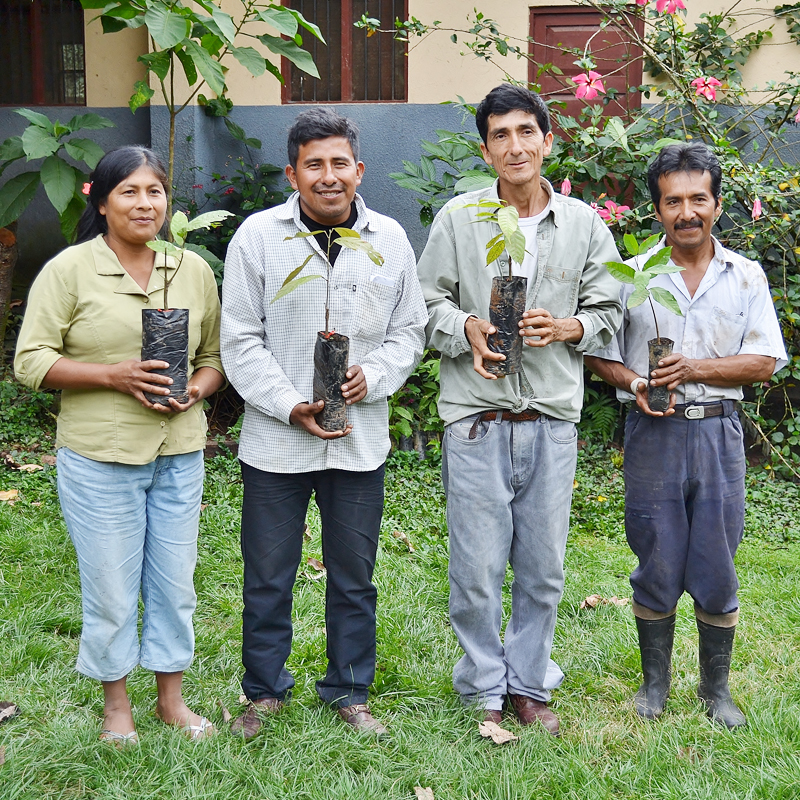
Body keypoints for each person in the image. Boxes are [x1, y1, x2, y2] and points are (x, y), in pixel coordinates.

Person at [416, 84, 622, 735]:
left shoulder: (584, 224)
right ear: (486, 148)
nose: (515, 145)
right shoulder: (458, 219)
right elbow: (424, 305)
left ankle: (530, 684)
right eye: (500, 135)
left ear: (547, 140)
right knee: (475, 569)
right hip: (477, 419)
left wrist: (567, 329)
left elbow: (612, 309)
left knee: (542, 567)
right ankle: (484, 687)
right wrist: (469, 328)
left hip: (551, 422)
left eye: (525, 132)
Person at [220, 107, 426, 738]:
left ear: (360, 170)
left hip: (358, 442)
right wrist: (289, 404)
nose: (328, 176)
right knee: (268, 575)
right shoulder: (258, 238)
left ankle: (350, 689)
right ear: (293, 173)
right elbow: (240, 339)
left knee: (354, 577)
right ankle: (264, 691)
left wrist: (376, 377)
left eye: (340, 163)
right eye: (315, 165)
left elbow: (410, 330)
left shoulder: (389, 239)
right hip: (275, 444)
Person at [14, 146, 225, 744]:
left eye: (154, 191)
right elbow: (29, 362)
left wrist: (196, 391)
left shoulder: (190, 270)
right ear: (101, 201)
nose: (143, 203)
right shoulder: (69, 270)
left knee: (175, 582)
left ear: (167, 200)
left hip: (178, 451)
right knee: (110, 585)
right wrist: (114, 374)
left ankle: (171, 701)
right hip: (99, 456)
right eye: (128, 191)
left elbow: (212, 360)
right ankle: (116, 709)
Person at [585, 142, 787, 729]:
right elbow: (598, 354)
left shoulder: (744, 276)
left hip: (720, 435)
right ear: (657, 211)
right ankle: (654, 688)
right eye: (673, 201)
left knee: (716, 559)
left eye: (698, 199)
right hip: (655, 434)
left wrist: (694, 368)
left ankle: (715, 690)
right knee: (656, 551)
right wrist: (635, 381)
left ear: (718, 205)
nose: (686, 212)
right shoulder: (634, 277)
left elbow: (765, 361)